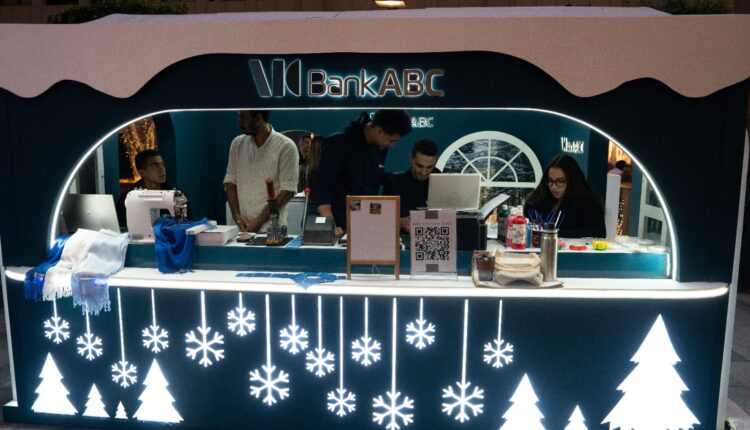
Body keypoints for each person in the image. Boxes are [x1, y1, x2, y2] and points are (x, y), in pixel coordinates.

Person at [312, 109, 412, 236]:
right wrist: (329, 224)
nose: (392, 145)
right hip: (340, 227)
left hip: (367, 223)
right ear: (379, 130)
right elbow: (321, 185)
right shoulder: (338, 142)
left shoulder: (380, 146)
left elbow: (372, 178)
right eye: (391, 140)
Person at [224, 110, 299, 233]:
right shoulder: (237, 144)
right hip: (241, 229)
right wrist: (236, 216)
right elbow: (230, 183)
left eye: (243, 117)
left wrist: (258, 221)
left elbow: (287, 192)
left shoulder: (286, 146)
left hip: (272, 229)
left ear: (258, 118)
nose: (239, 123)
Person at [524, 154, 606, 238]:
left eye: (560, 181)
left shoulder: (588, 203)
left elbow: (598, 232)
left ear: (572, 180)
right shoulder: (539, 198)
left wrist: (555, 233)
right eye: (550, 180)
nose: (554, 187)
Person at [116, 149, 189, 227]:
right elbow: (122, 228)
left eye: (162, 164)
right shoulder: (127, 198)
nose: (162, 169)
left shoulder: (178, 195)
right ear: (142, 172)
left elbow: (187, 225)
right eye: (155, 165)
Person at [383, 138, 442, 232]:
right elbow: (382, 219)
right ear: (411, 158)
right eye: (420, 166)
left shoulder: (442, 182)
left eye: (429, 167)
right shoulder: (394, 182)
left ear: (436, 160)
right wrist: (401, 222)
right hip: (404, 237)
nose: (424, 172)